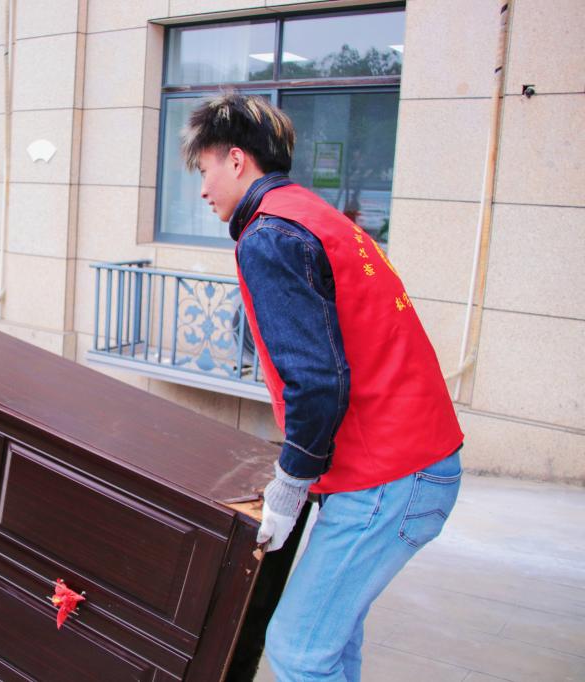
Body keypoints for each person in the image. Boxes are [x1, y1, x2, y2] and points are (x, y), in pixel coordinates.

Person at [181, 94, 464, 681]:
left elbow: (315, 383)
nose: (203, 190)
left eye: (204, 170)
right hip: (408, 465)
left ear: (236, 160)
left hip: (389, 475)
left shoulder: (270, 235)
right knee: (331, 646)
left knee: (298, 650)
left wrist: (288, 488)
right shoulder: (314, 216)